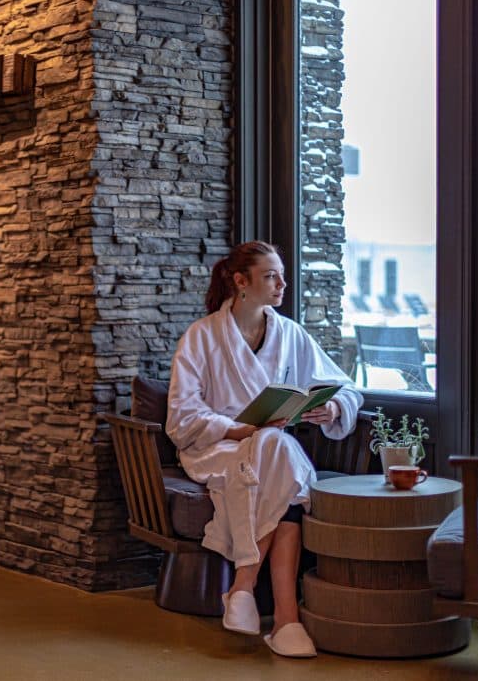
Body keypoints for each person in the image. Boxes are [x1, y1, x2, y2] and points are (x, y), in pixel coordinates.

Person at [166, 241, 362, 658]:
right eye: (271, 275)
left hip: (269, 451)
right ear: (241, 282)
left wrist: (331, 407)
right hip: (216, 449)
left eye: (282, 275)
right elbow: (181, 416)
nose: (282, 284)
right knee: (282, 458)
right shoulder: (201, 337)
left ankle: (243, 588)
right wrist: (236, 429)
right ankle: (287, 619)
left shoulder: (290, 334)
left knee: (275, 449)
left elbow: (346, 386)